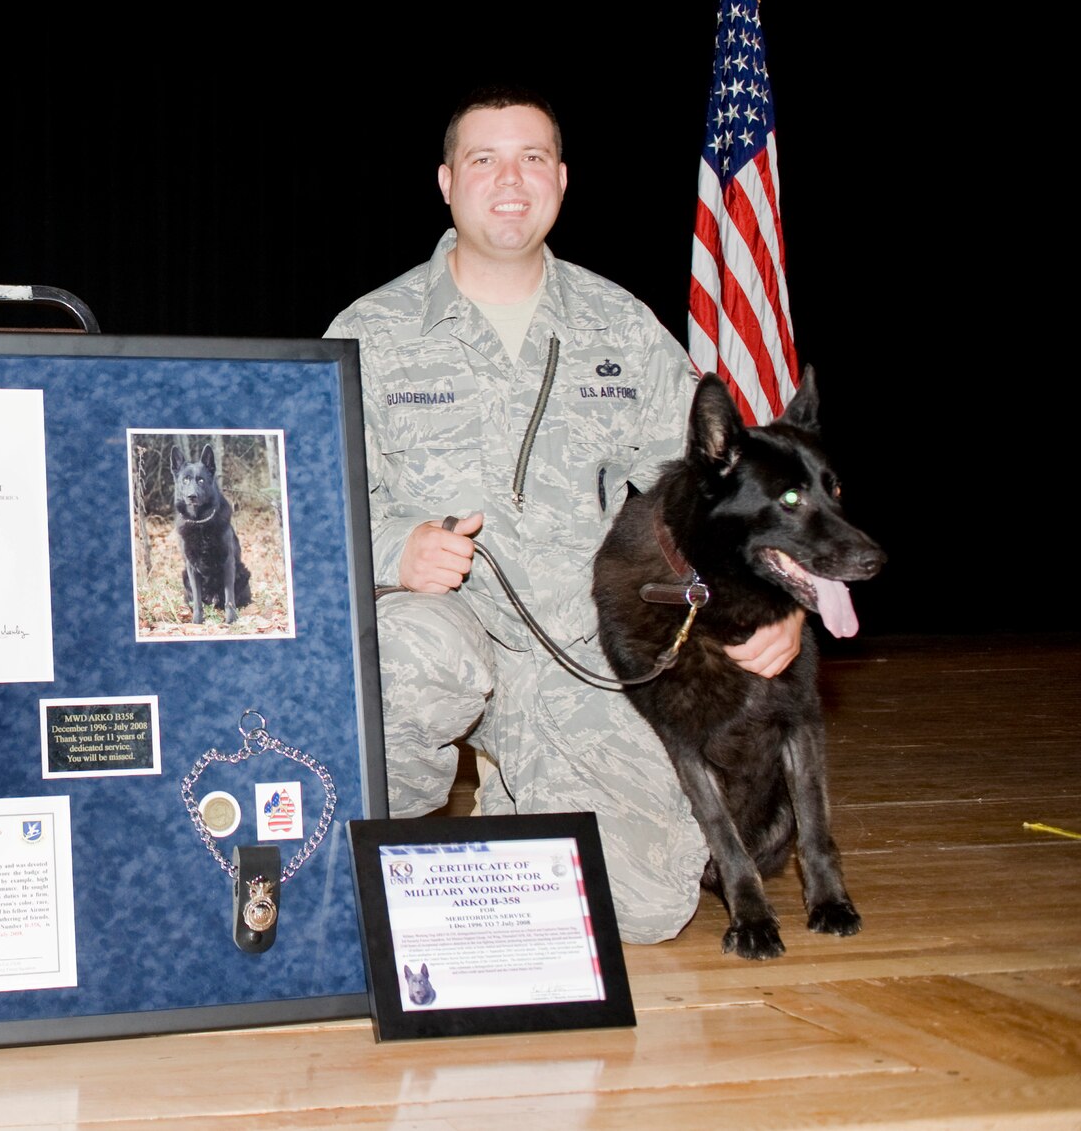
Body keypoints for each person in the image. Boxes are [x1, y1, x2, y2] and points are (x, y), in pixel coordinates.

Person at [324, 87, 803, 943]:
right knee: (409, 657)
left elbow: (724, 489)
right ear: (445, 181)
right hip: (438, 630)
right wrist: (392, 548)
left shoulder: (618, 325)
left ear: (562, 178)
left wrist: (779, 603)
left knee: (645, 910)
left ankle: (510, 813)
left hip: (581, 653)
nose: (510, 180)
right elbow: (304, 510)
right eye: (484, 159)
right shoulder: (371, 330)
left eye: (532, 158)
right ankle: (357, 864)